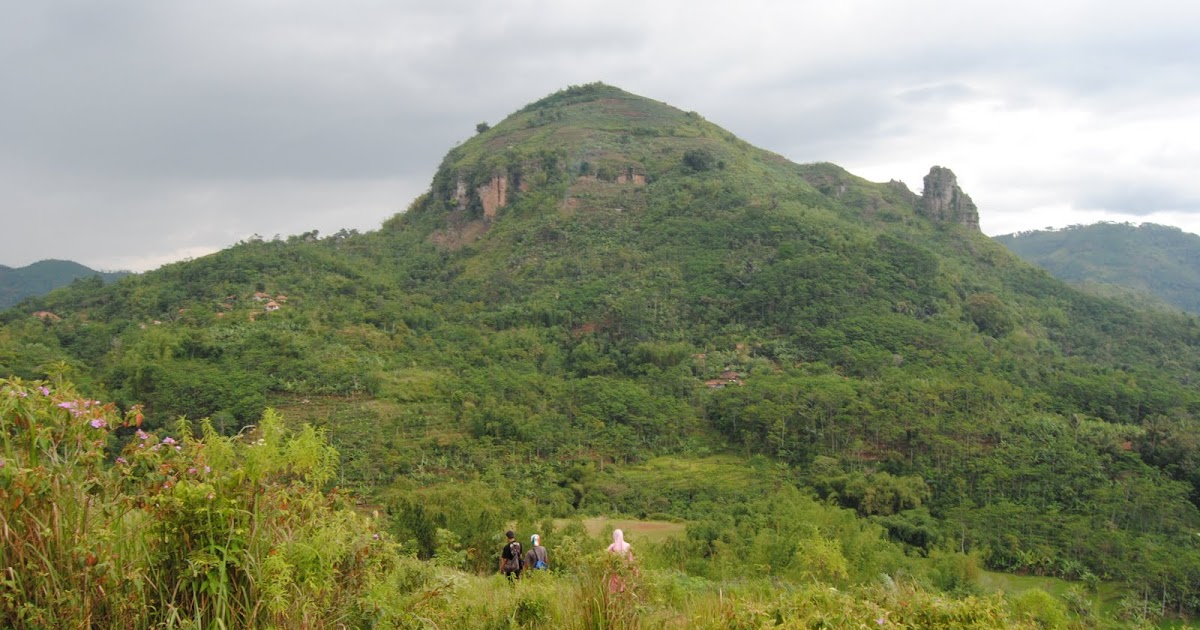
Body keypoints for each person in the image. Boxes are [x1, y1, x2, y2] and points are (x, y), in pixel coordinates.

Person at [606, 529, 636, 593]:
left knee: (614, 588)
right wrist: (634, 571)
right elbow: (631, 560)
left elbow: (607, 559)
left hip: (614, 569)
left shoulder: (611, 547)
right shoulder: (627, 546)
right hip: (624, 570)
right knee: (624, 585)